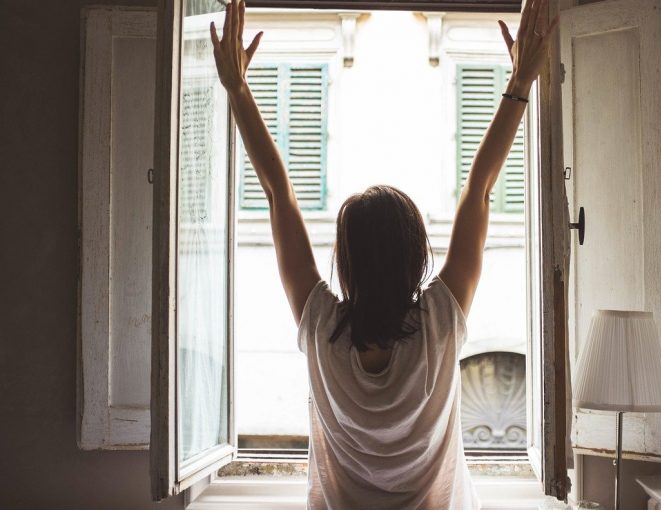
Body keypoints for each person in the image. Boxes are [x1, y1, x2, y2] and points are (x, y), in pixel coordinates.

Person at [211, 0, 557, 507]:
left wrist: (238, 89)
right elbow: (480, 191)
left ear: (346, 262)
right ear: (416, 258)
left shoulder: (321, 328)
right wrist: (520, 82)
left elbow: (278, 193)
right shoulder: (440, 322)